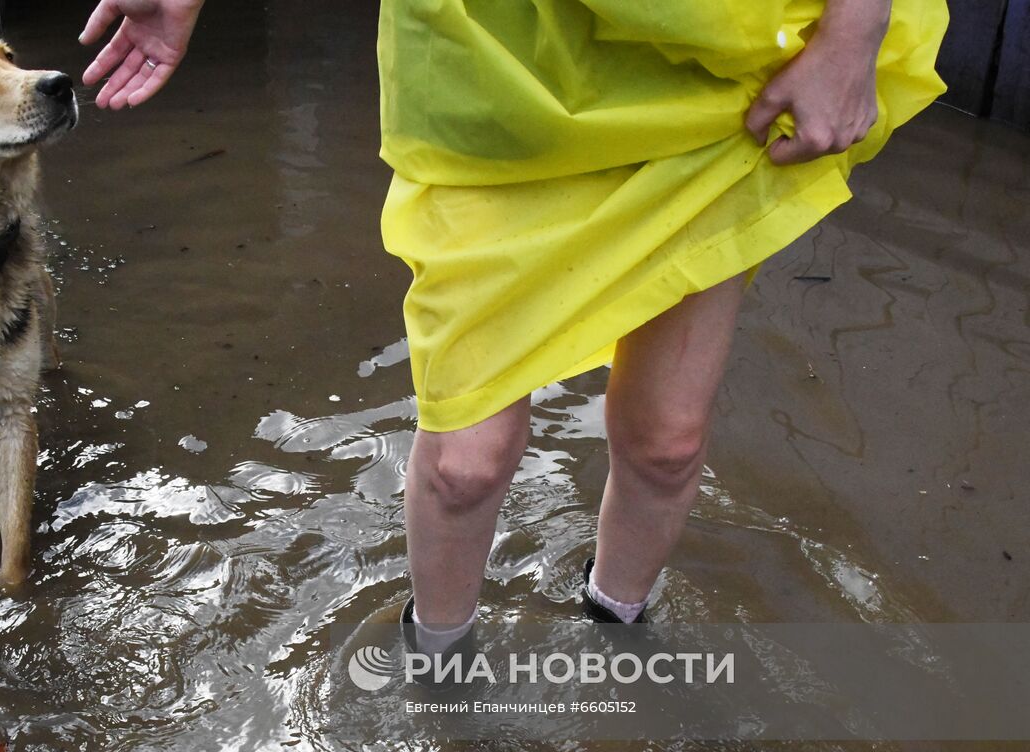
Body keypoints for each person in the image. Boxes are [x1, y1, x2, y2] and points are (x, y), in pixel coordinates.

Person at [77, 0, 947, 649]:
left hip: (710, 71)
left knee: (668, 439)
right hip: (493, 70)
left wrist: (854, 31)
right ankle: (440, 673)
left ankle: (615, 638)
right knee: (463, 464)